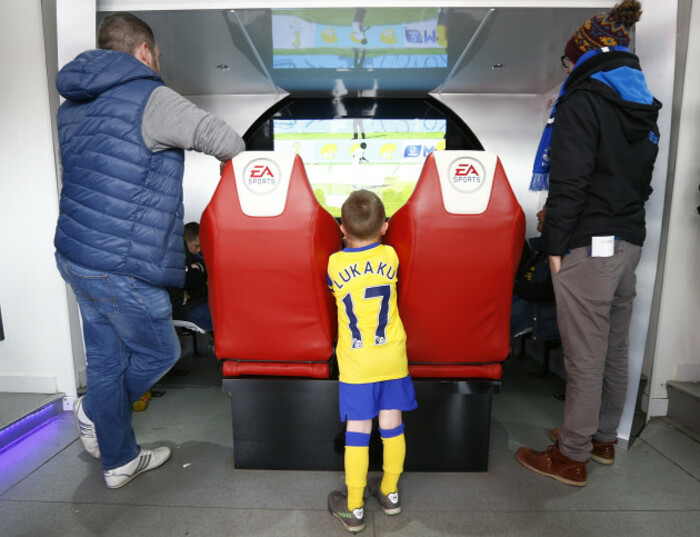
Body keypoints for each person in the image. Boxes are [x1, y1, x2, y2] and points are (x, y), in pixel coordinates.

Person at [54, 12, 245, 488]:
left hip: (76, 255)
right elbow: (230, 142)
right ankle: (95, 409)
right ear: (144, 51)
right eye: (157, 54)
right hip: (121, 265)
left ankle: (118, 460)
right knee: (160, 351)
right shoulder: (151, 96)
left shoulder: (72, 105)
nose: (157, 62)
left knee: (105, 359)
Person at [516, 0, 661, 487]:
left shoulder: (583, 100)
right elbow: (641, 182)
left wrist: (554, 243)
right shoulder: (642, 103)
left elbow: (570, 182)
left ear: (582, 55)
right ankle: (600, 440)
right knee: (614, 347)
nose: (566, 70)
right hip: (628, 242)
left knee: (584, 351)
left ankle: (571, 455)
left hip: (588, 244)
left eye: (566, 61)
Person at [326, 190, 417, 533]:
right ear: (385, 227)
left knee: (358, 432)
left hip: (357, 366)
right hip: (392, 358)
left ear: (342, 229)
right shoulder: (391, 255)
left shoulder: (334, 263)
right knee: (392, 427)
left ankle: (353, 508)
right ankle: (390, 492)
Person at [169, 222, 213, 332]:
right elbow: (192, 281)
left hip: (194, 302)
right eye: (197, 246)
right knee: (224, 318)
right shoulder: (175, 256)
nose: (199, 250)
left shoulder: (192, 256)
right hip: (183, 306)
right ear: (185, 240)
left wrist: (198, 267)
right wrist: (199, 270)